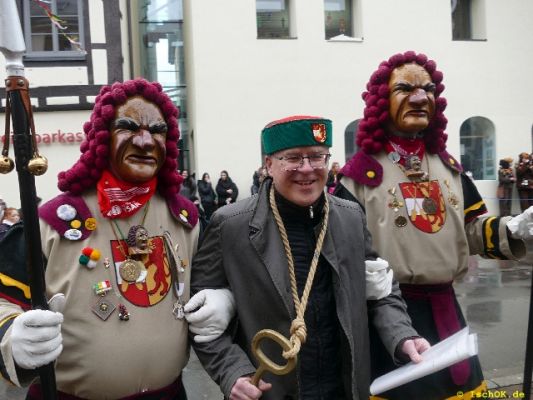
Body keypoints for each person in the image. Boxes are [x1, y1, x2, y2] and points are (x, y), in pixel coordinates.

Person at [0, 79, 234, 399]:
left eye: (157, 131)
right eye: (128, 127)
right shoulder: (52, 222)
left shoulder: (186, 218)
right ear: (102, 137)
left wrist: (224, 299)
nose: (145, 141)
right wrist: (11, 334)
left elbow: (216, 283)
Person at [335, 51, 532, 400]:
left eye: (427, 89)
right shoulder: (358, 176)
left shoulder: (448, 167)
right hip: (387, 317)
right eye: (405, 89)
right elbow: (340, 252)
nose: (419, 98)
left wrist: (514, 228)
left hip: (447, 311)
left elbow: (471, 230)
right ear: (382, 100)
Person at [189, 115, 429, 400]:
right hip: (270, 391)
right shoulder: (230, 225)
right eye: (293, 158)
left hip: (343, 389)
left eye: (317, 157)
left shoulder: (350, 217)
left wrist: (402, 335)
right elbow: (200, 315)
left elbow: (380, 290)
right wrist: (231, 371)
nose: (307, 169)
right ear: (268, 164)